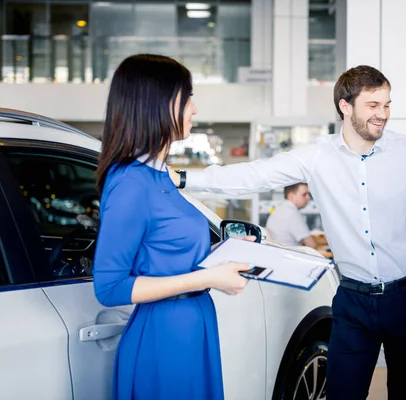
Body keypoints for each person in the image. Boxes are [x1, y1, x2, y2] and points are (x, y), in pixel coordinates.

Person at [170, 65, 406, 399]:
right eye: (373, 106)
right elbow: (255, 175)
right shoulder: (318, 156)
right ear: (345, 107)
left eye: (387, 105)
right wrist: (185, 179)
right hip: (352, 302)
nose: (383, 115)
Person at [92, 54, 252, 400]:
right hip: (164, 337)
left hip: (193, 323)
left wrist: (219, 259)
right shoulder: (130, 182)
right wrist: (209, 278)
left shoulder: (159, 175)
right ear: (156, 104)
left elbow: (166, 250)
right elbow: (110, 285)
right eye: (188, 96)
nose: (194, 108)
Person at [265, 183, 317, 248]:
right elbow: (311, 245)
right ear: (291, 196)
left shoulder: (279, 209)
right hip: (291, 255)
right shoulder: (292, 213)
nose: (308, 198)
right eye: (304, 195)